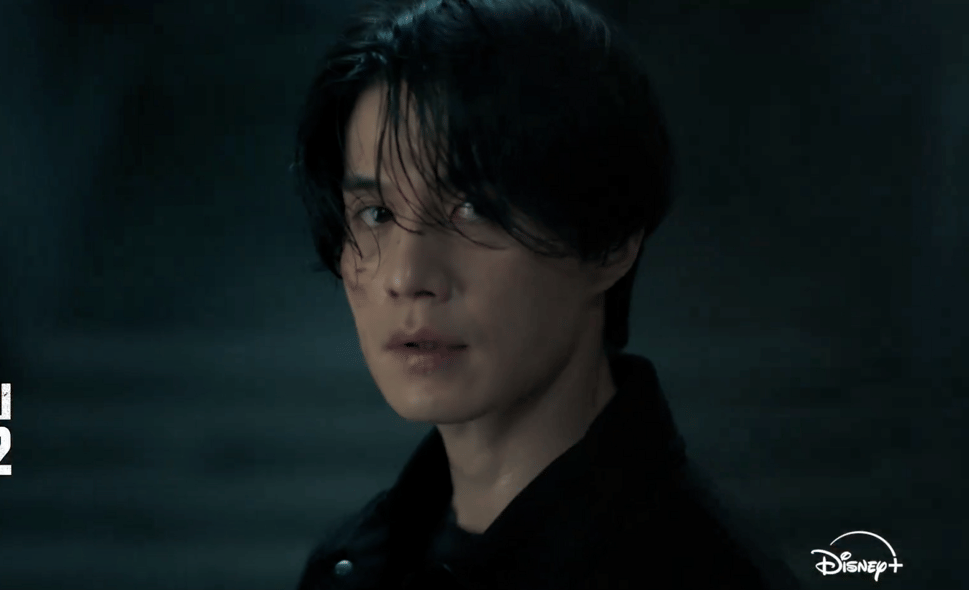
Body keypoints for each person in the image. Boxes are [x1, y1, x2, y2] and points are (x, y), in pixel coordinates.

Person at [290, 0, 801, 588]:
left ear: (609, 243)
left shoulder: (704, 574)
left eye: (474, 210)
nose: (407, 276)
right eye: (376, 213)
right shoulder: (353, 564)